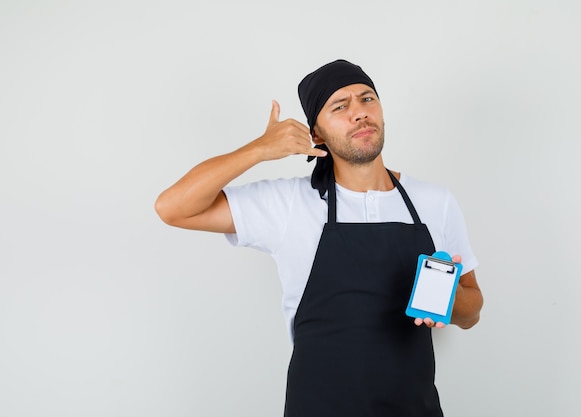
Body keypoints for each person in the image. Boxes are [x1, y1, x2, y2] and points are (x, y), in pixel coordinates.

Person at [155, 59, 483, 417]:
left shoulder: (434, 202)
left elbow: (472, 311)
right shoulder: (289, 203)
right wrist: (260, 149)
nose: (359, 113)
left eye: (367, 99)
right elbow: (173, 207)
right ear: (317, 134)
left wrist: (447, 301)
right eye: (340, 106)